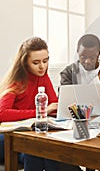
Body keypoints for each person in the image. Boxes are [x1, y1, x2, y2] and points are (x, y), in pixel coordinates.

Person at [0, 37, 70, 170]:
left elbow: (53, 105)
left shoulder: (43, 77)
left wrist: (64, 108)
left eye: (45, 60)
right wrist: (40, 112)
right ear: (25, 62)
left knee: (51, 153)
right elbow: (2, 114)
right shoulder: (16, 81)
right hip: (7, 135)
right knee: (34, 153)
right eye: (36, 62)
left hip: (29, 134)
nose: (42, 66)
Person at [60, 34, 100, 112]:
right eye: (83, 57)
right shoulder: (68, 73)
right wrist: (97, 80)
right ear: (77, 51)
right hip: (78, 119)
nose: (87, 61)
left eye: (92, 57)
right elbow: (65, 103)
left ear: (99, 52)